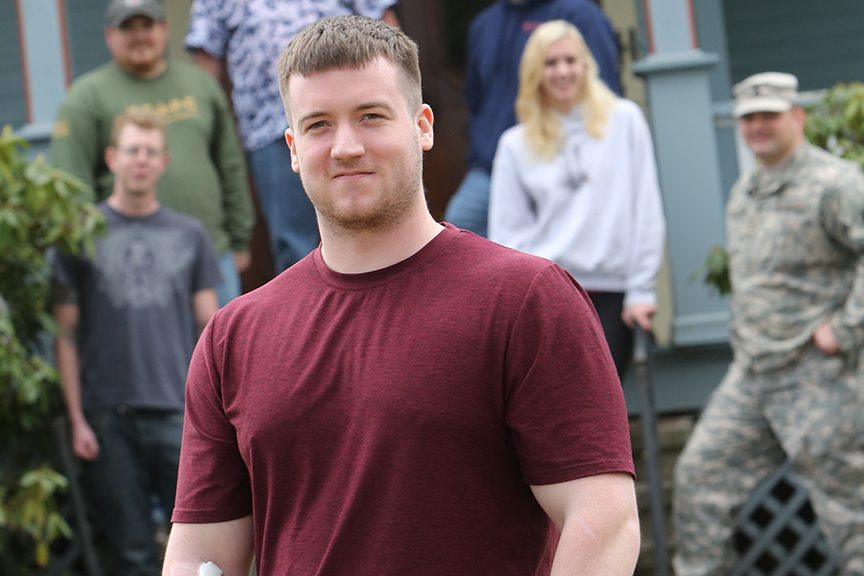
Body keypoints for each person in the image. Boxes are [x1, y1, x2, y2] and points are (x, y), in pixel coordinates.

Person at [163, 15, 639, 576]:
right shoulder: (233, 337)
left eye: (371, 116)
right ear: (292, 148)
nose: (345, 147)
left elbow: (603, 521)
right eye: (318, 125)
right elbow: (199, 554)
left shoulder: (524, 300)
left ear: (422, 126)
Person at [673, 72, 864, 574]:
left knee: (852, 516)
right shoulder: (746, 191)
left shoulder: (837, 184)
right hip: (753, 377)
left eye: (770, 115)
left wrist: (845, 330)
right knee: (698, 482)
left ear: (797, 117)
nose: (758, 126)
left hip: (817, 377)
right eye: (749, 118)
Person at [53, 110, 222, 576]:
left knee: (199, 550)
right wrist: (76, 419)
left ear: (164, 161)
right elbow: (64, 334)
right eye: (132, 150)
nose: (141, 160)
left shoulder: (190, 235)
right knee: (129, 552)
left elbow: (213, 331)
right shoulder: (80, 233)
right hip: (108, 417)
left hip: (179, 415)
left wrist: (217, 417)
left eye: (150, 152)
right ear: (112, 158)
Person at [488, 20, 665, 379]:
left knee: (604, 409)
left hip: (613, 294)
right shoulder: (515, 144)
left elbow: (645, 208)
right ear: (535, 72)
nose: (563, 71)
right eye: (551, 63)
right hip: (551, 297)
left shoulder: (625, 121)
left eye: (571, 60)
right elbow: (507, 234)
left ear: (587, 65)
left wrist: (641, 289)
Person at [50, 0, 253, 306]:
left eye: (147, 25)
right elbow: (71, 183)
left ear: (164, 29)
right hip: (132, 262)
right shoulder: (85, 97)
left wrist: (240, 238)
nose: (139, 35)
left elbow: (230, 164)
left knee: (221, 351)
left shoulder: (200, 84)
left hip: (213, 254)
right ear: (109, 35)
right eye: (127, 27)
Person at [185, 0, 399, 273]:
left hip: (354, 118)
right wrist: (209, 138)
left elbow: (386, 27)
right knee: (294, 243)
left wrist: (395, 104)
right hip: (268, 131)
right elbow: (206, 58)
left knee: (371, 223)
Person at [445, 0, 622, 237]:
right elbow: (475, 99)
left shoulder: (579, 14)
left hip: (559, 160)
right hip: (490, 168)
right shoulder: (483, 25)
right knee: (460, 226)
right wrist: (480, 154)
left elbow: (604, 92)